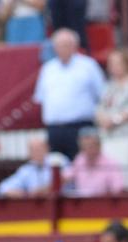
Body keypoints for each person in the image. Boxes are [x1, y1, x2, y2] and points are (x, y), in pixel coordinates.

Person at [33, 29, 106, 161]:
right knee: (56, 168)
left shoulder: (88, 65)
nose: (62, 49)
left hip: (81, 127)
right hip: (55, 129)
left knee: (81, 167)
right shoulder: (48, 69)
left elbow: (102, 94)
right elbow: (41, 98)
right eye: (59, 46)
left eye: (66, 45)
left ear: (75, 46)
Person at [63, 127, 125, 196]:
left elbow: (118, 189)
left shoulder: (110, 163)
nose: (88, 150)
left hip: (103, 202)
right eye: (84, 147)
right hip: (82, 202)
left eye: (91, 146)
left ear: (99, 146)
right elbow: (65, 177)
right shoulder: (80, 159)